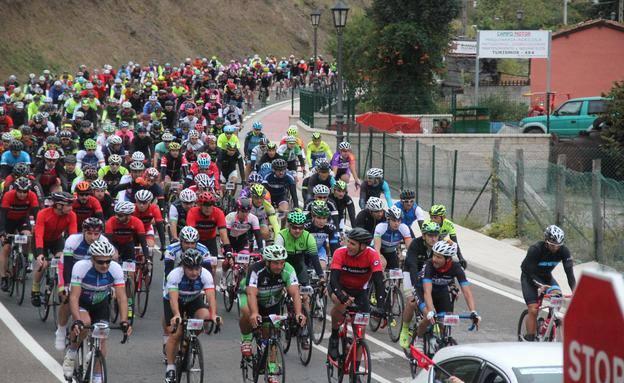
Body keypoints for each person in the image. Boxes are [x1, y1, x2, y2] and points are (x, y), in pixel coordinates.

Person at [62, 241, 131, 383]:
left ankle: (97, 377)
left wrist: (124, 320)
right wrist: (76, 320)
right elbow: (73, 297)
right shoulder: (81, 267)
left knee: (102, 339)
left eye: (108, 261)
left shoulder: (115, 269)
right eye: (100, 262)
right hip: (82, 302)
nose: (105, 265)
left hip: (100, 305)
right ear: (92, 259)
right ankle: (71, 353)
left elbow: (122, 297)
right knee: (84, 323)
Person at [238, 245, 305, 373]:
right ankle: (246, 339)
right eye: (275, 263)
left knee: (271, 332)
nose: (279, 266)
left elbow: (295, 293)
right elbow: (251, 293)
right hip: (251, 296)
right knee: (248, 313)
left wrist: (298, 313)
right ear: (267, 262)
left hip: (271, 301)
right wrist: (255, 313)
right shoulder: (256, 269)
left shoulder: (288, 270)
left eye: (281, 262)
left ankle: (272, 366)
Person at [410, 241, 480, 352]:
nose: (434, 259)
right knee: (428, 317)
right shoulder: (429, 266)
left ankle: (442, 343)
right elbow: (427, 292)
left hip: (441, 291)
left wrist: (473, 311)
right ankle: (419, 338)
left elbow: (467, 292)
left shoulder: (456, 268)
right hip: (422, 290)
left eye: (438, 257)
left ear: (448, 259)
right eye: (434, 255)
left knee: (445, 320)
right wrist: (431, 311)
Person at [327, 228, 386, 360]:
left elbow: (378, 282)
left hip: (359, 291)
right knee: (341, 304)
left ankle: (356, 373)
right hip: (339, 287)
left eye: (352, 244)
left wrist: (381, 306)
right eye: (348, 242)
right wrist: (342, 296)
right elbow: (333, 280)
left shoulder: (372, 255)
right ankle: (335, 335)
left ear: (363, 246)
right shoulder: (340, 252)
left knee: (360, 335)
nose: (348, 246)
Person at [163, 248, 219, 383]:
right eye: (190, 269)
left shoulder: (205, 274)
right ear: (183, 267)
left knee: (205, 318)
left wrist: (214, 315)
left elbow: (211, 297)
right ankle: (170, 368)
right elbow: (174, 299)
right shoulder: (175, 275)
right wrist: (176, 315)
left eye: (197, 268)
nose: (194, 272)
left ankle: (189, 340)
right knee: (175, 333)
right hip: (175, 300)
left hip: (194, 299)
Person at [55, 218, 112, 350]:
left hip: (89, 272)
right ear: (83, 232)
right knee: (66, 298)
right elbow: (68, 264)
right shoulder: (73, 240)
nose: (93, 237)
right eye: (90, 234)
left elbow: (107, 264)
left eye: (96, 234)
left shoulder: (104, 242)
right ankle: (61, 330)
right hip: (69, 269)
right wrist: (67, 286)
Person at [520, 225, 575, 341]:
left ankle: (547, 325)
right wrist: (539, 285)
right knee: (534, 309)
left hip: (546, 277)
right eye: (552, 245)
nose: (555, 248)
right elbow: (527, 270)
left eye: (558, 246)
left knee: (557, 298)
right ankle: (529, 338)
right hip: (529, 277)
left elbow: (570, 274)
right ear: (546, 241)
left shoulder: (564, 251)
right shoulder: (536, 249)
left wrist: (575, 291)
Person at [399, 220, 440, 348]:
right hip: (411, 271)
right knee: (412, 301)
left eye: (435, 235)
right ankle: (405, 329)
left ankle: (432, 321)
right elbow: (412, 266)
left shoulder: (439, 246)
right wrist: (416, 286)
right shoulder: (415, 245)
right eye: (430, 235)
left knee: (434, 296)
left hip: (427, 274)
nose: (433, 239)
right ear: (424, 236)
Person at [32, 192, 77, 306]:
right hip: (41, 240)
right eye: (68, 205)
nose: (71, 208)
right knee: (44, 264)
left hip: (57, 240)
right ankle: (35, 289)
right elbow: (39, 235)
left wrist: (72, 254)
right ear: (58, 205)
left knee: (61, 259)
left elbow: (73, 237)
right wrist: (40, 254)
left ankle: (59, 284)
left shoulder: (71, 215)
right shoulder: (43, 214)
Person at [0, 177, 39, 291]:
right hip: (8, 222)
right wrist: (2, 232)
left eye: (25, 192)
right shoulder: (9, 195)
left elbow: (37, 214)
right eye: (20, 191)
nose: (22, 194)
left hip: (22, 220)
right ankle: (3, 278)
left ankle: (24, 257)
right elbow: (2, 215)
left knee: (28, 235)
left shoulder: (32, 195)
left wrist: (37, 228)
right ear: (16, 190)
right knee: (6, 248)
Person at [185, 191, 231, 259]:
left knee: (213, 264)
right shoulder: (192, 212)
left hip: (210, 241)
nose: (208, 208)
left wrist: (228, 251)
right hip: (197, 241)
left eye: (210, 205)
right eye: (205, 205)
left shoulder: (218, 213)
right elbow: (191, 232)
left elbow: (223, 234)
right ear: (200, 206)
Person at [373, 206, 412, 270]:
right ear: (388, 220)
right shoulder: (381, 227)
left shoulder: (404, 228)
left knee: (395, 272)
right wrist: (379, 256)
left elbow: (410, 248)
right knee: (381, 264)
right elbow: (376, 249)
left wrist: (408, 256)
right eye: (394, 220)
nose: (396, 223)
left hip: (391, 251)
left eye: (399, 220)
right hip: (379, 250)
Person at [429, 204, 467, 269]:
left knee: (448, 250)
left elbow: (455, 242)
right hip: (430, 242)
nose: (432, 220)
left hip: (439, 241)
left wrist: (460, 257)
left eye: (435, 217)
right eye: (431, 217)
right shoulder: (428, 224)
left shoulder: (449, 224)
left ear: (443, 217)